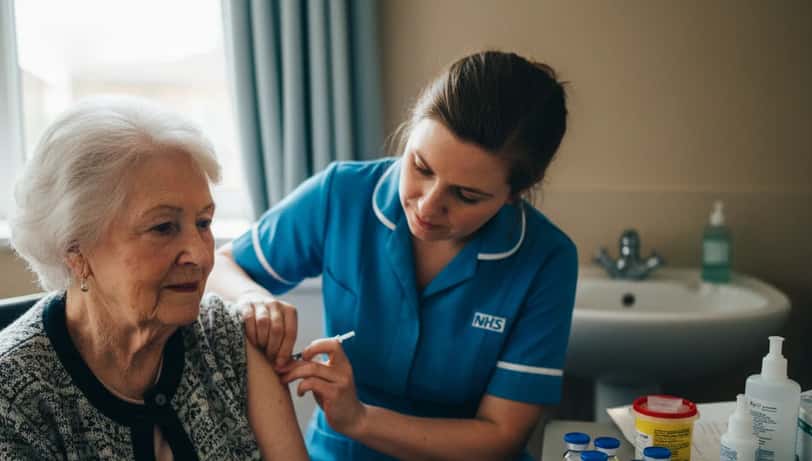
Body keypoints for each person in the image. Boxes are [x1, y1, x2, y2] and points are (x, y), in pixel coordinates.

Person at [208, 50, 578, 461]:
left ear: (515, 194)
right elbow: (222, 266)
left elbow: (500, 434)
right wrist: (252, 299)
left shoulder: (547, 259)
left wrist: (361, 420)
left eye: (466, 195)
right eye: (420, 167)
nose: (428, 206)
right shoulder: (341, 194)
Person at [1, 96, 309, 460]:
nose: (199, 254)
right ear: (76, 249)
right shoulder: (13, 398)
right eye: (163, 227)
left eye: (204, 223)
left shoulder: (228, 339)